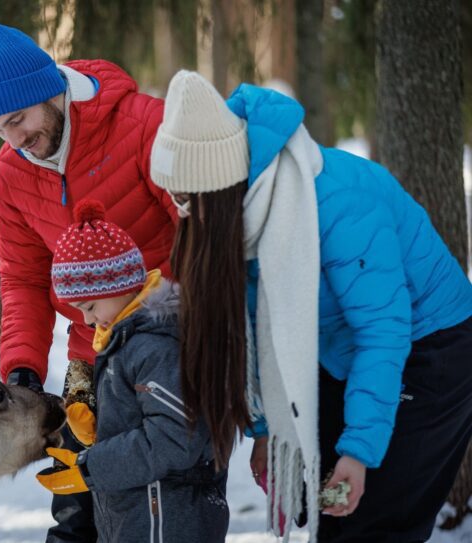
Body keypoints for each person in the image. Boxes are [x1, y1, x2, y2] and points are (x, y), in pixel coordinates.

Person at [148, 70, 472, 543]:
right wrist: (266, 432)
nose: (181, 211)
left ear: (218, 185)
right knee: (323, 508)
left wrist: (358, 452)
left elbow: (383, 330)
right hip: (341, 348)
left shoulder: (335, 203)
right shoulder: (242, 215)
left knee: (368, 522)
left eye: (186, 197)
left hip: (430, 349)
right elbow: (257, 327)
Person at [0, 23, 177, 542]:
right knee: (75, 510)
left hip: (166, 349)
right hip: (90, 358)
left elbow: (203, 237)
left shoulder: (145, 126)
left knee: (154, 506)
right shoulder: (12, 171)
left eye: (19, 119)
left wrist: (168, 324)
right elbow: (22, 280)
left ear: (51, 89)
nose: (16, 141)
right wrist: (22, 370)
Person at [35, 199, 229, 543]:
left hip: (167, 521)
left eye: (90, 306)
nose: (87, 320)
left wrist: (93, 466)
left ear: (119, 285)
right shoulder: (124, 342)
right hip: (141, 517)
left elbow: (173, 438)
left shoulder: (155, 346)